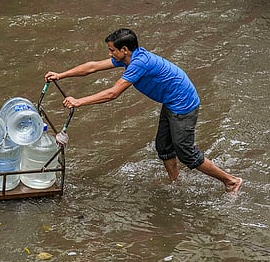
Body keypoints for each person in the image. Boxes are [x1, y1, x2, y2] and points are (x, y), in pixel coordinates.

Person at [44, 28, 242, 193]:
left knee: (186, 153)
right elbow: (93, 67)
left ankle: (231, 181)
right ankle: (175, 182)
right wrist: (61, 75)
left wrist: (79, 101)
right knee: (163, 147)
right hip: (171, 100)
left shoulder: (139, 64)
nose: (110, 54)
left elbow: (113, 93)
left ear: (124, 49)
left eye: (112, 50)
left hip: (183, 104)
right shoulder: (127, 58)